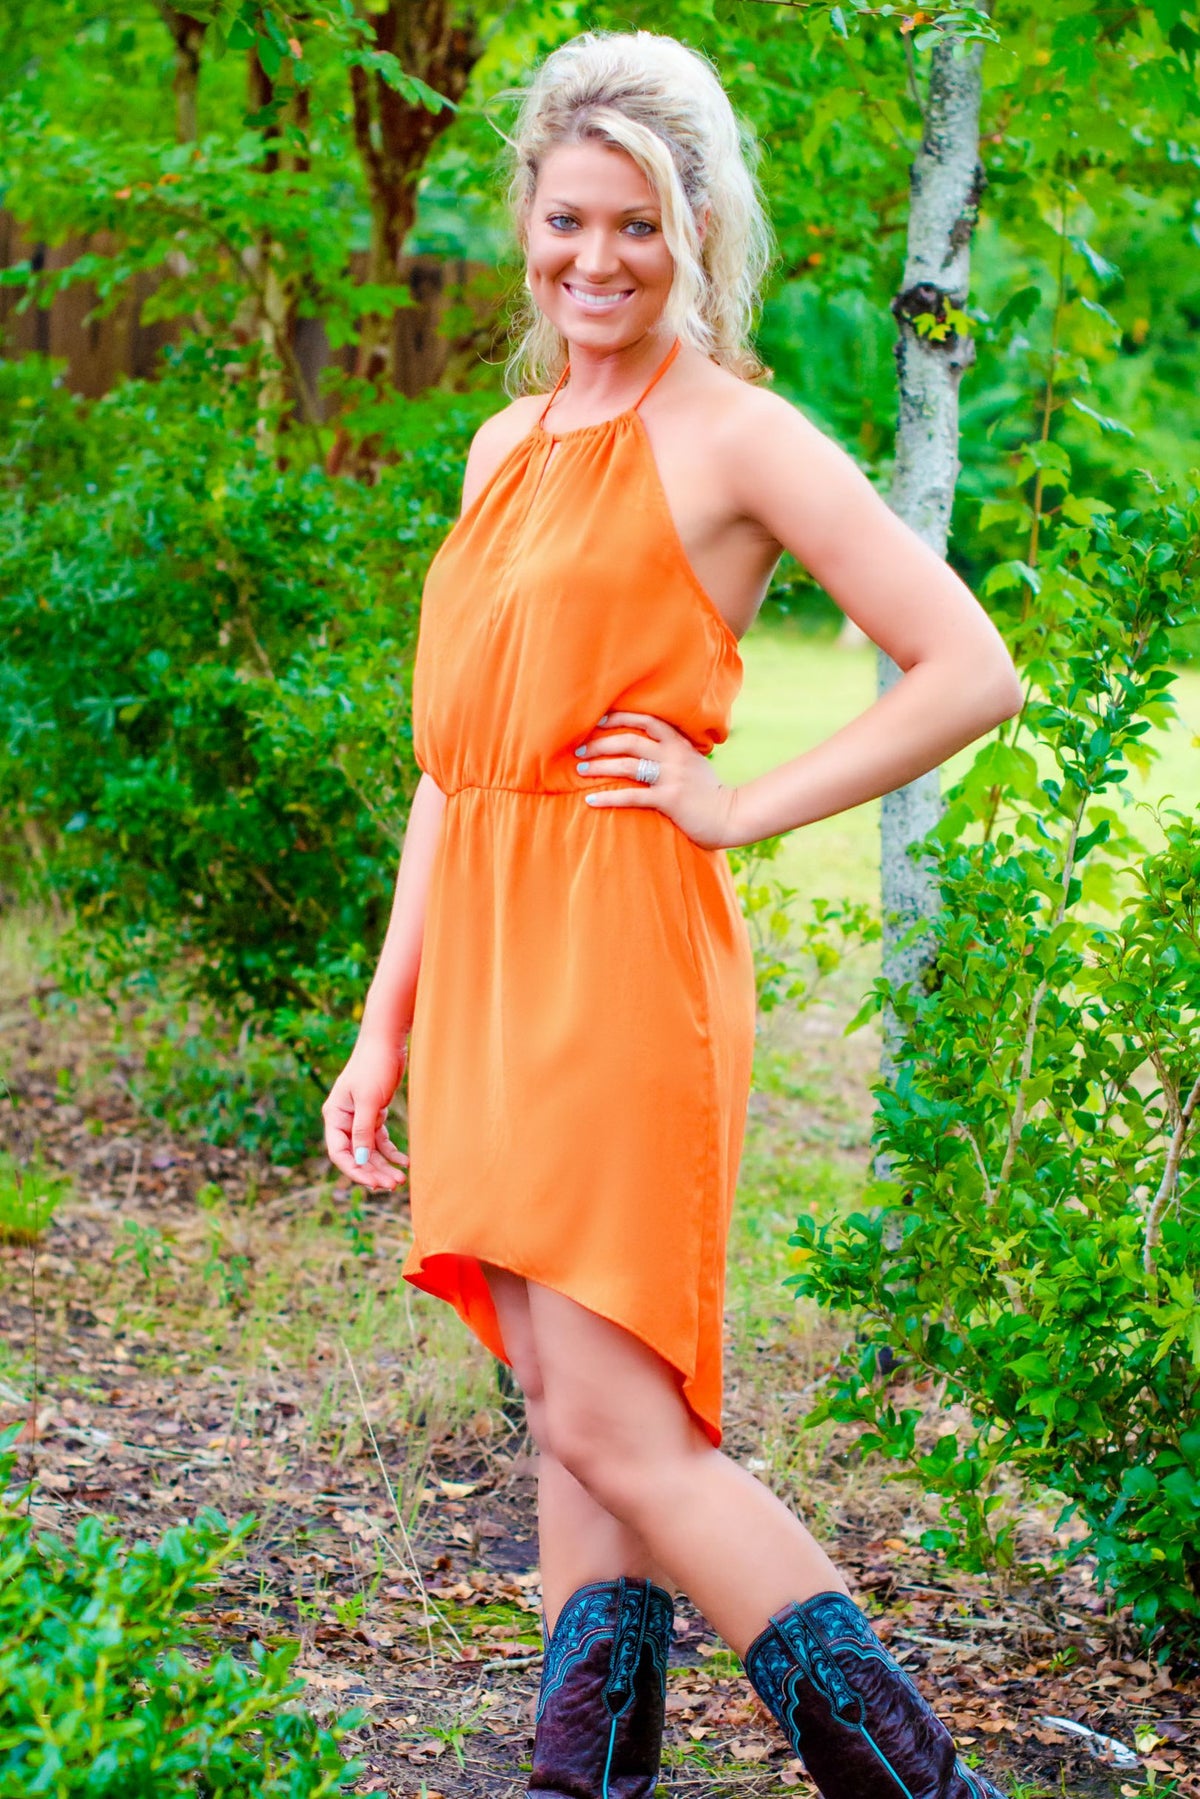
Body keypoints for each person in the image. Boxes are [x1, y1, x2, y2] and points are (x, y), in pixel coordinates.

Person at [322, 28, 1022, 1799]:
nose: (598, 260)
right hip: (492, 956)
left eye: (639, 224)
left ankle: (934, 1790)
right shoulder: (503, 443)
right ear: (527, 222)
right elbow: (457, 767)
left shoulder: (737, 435)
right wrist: (387, 1021)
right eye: (568, 220)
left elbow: (969, 668)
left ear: (697, 230)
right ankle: (585, 1786)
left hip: (622, 949)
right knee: (566, 1416)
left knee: (627, 1429)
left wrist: (737, 805)